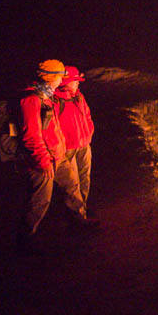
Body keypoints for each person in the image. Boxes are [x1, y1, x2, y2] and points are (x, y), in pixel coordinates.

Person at [16, 60, 97, 255]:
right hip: (42, 160)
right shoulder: (32, 99)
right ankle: (26, 240)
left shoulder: (46, 96)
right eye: (60, 75)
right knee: (40, 200)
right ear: (52, 77)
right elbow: (31, 136)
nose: (62, 79)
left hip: (57, 156)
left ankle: (78, 222)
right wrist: (44, 161)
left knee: (72, 186)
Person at [54, 66, 95, 215]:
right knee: (73, 184)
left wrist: (88, 134)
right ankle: (77, 216)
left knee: (85, 179)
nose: (78, 83)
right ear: (66, 82)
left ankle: (82, 209)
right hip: (68, 149)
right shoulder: (56, 100)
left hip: (84, 145)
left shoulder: (78, 97)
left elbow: (88, 116)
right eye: (75, 81)